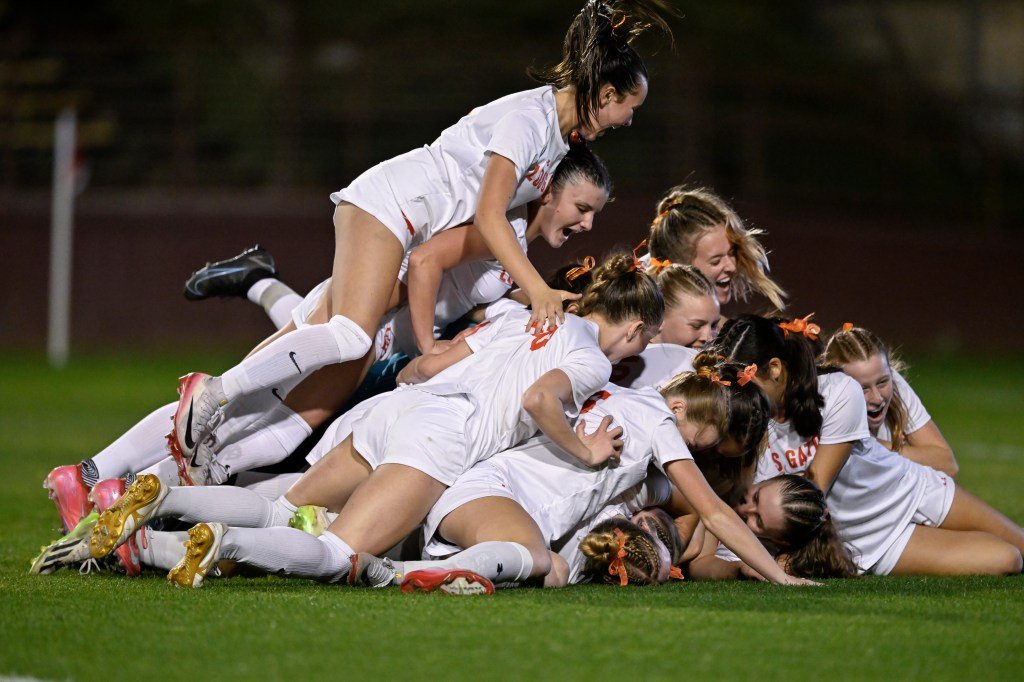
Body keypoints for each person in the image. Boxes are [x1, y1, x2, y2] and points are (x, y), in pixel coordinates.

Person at [171, 0, 674, 464]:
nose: (629, 120)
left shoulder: (555, 140)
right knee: (350, 336)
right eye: (630, 107)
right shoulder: (530, 120)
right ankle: (214, 392)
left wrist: (530, 295)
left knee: (320, 333)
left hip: (407, 221)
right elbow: (490, 215)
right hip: (392, 205)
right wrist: (535, 290)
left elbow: (490, 232)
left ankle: (200, 439)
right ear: (606, 94)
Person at [82, 254, 665, 587]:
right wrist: (586, 450)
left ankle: (158, 507)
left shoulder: (520, 319)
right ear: (636, 328)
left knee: (283, 508)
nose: (634, 354)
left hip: (399, 409)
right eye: (643, 341)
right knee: (338, 556)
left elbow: (422, 367)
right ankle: (220, 542)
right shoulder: (591, 358)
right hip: (441, 438)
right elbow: (540, 400)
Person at [343, 356, 801, 593]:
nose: (691, 452)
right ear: (678, 408)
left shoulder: (616, 393)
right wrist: (780, 577)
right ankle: (396, 572)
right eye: (696, 441)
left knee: (556, 571)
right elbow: (713, 511)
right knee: (540, 559)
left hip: (485, 495)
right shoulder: (659, 421)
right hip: (491, 493)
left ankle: (446, 570)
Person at [711, 314, 1024, 576]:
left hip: (910, 490)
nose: (737, 395)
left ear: (775, 369)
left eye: (743, 382)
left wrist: (779, 561)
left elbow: (811, 494)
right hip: (870, 543)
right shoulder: (743, 428)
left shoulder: (837, 390)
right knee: (1007, 559)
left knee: (1021, 545)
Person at [823, 323, 957, 477]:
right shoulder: (820, 410)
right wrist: (904, 451)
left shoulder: (893, 382)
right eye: (863, 389)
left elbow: (947, 464)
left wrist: (874, 446)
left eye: (882, 383)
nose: (877, 398)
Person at [687, 474, 858, 580]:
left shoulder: (753, 553)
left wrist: (739, 569)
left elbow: (698, 566)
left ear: (779, 541)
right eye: (756, 497)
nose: (745, 509)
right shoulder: (738, 472)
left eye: (758, 520)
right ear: (766, 479)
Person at [645, 186, 786, 309]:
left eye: (732, 253)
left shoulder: (730, 329)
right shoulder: (646, 328)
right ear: (678, 269)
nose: (732, 267)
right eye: (716, 261)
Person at [611, 263, 719, 388]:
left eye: (714, 325)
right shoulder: (617, 359)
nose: (708, 337)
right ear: (659, 319)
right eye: (696, 326)